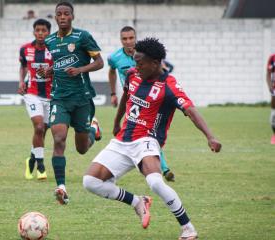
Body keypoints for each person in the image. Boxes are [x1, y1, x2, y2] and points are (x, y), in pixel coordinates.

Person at [83, 38, 221, 240]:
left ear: (155, 63)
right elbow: (126, 97)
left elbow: (190, 110)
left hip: (147, 140)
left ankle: (188, 228)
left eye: (140, 63)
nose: (135, 67)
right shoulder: (132, 75)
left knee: (156, 182)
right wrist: (116, 121)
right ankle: (138, 202)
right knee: (90, 182)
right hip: (123, 140)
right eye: (134, 62)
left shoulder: (169, 85)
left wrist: (210, 136)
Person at [40, 1, 103, 205]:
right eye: (59, 14)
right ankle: (61, 187)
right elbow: (58, 63)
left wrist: (80, 70)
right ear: (55, 17)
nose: (63, 17)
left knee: (82, 148)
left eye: (67, 13)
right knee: (58, 138)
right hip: (59, 98)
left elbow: (99, 62)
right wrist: (49, 71)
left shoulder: (82, 36)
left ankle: (94, 129)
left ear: (72, 16)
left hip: (82, 98)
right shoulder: (50, 40)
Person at [108, 26, 175, 182]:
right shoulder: (114, 57)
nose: (128, 41)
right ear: (121, 40)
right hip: (130, 98)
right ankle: (154, 167)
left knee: (149, 130)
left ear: (135, 38)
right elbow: (111, 71)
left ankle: (163, 169)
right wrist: (112, 93)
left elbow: (161, 70)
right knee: (141, 132)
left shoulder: (144, 55)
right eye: (125, 39)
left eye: (131, 38)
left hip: (148, 98)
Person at [19, 19, 53, 180]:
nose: (40, 33)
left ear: (49, 32)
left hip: (50, 96)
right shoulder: (25, 49)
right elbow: (24, 66)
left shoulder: (54, 49)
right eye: (38, 30)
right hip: (32, 94)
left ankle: (31, 159)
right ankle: (40, 166)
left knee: (42, 132)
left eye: (44, 30)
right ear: (34, 32)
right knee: (39, 126)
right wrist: (20, 81)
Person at [266, 53, 275, 144]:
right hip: (274, 89)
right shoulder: (272, 58)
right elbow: (268, 74)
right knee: (273, 114)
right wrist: (270, 87)